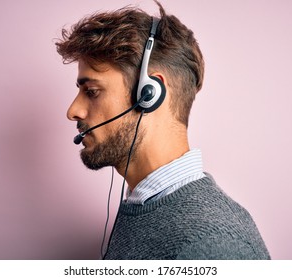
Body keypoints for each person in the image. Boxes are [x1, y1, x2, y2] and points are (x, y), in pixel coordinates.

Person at [56, 1, 270, 260]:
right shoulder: (142, 204)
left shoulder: (212, 245)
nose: (73, 111)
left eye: (92, 92)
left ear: (149, 94)